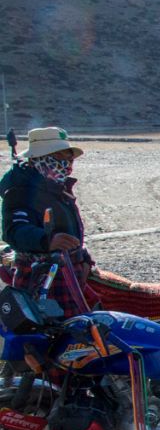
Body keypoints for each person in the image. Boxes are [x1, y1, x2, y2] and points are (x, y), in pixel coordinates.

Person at [0, 126, 97, 316]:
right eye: (61, 159)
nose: (67, 165)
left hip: (66, 275)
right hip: (40, 279)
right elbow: (15, 229)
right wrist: (46, 240)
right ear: (41, 158)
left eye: (69, 159)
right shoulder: (21, 190)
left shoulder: (57, 187)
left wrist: (81, 257)